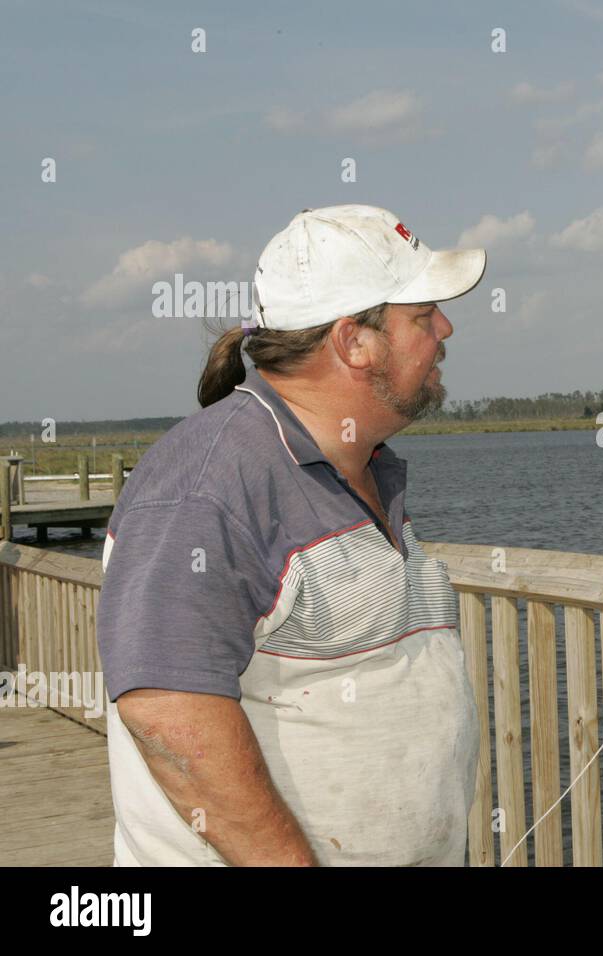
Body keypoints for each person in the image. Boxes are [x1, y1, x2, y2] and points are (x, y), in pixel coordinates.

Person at [97, 204, 486, 865]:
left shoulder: (361, 468)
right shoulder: (208, 483)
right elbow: (167, 709)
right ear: (352, 342)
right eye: (422, 315)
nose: (446, 329)